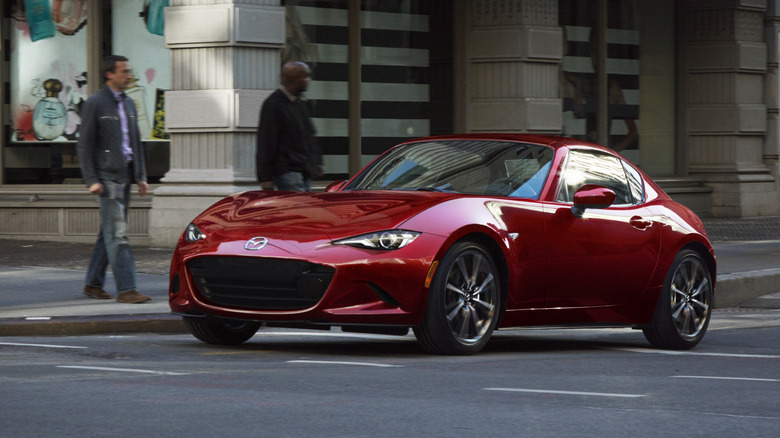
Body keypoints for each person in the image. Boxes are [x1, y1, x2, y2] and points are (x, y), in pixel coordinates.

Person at [77, 55, 151, 303]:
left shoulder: (129, 103)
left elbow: (135, 143)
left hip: (126, 176)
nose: (128, 75)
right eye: (124, 71)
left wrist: (140, 176)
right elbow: (85, 146)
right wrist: (91, 180)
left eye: (129, 71)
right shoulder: (95, 103)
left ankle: (93, 284)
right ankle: (127, 289)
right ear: (110, 74)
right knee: (118, 234)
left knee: (108, 233)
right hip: (106, 179)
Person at [256, 61, 323, 191]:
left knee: (302, 208)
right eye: (305, 76)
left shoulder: (301, 102)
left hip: (303, 170)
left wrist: (317, 162)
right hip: (287, 171)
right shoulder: (274, 104)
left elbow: (309, 135)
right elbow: (266, 141)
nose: (308, 80)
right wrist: (265, 178)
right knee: (300, 208)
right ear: (295, 79)